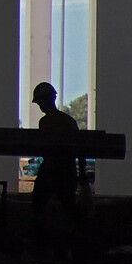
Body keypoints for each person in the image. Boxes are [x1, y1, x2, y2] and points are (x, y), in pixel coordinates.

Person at [30, 81, 83, 230]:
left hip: (52, 170)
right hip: (66, 171)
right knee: (69, 207)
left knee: (38, 206)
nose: (39, 106)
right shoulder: (68, 121)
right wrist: (82, 174)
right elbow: (81, 147)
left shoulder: (45, 122)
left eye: (40, 102)